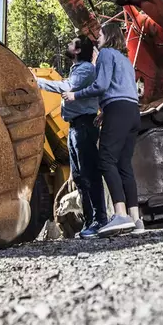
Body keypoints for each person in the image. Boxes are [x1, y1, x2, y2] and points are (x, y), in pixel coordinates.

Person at [65, 20, 145, 237]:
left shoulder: (107, 53)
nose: (97, 37)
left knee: (106, 160)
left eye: (100, 34)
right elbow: (123, 89)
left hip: (118, 110)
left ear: (108, 36)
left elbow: (101, 85)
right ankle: (136, 219)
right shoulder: (125, 60)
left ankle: (120, 215)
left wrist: (75, 95)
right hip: (131, 112)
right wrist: (105, 112)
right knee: (124, 165)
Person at [35, 36, 107, 239]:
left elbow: (66, 88)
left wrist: (35, 81)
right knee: (79, 177)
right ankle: (90, 220)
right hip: (76, 127)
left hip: (84, 125)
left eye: (71, 44)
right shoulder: (78, 69)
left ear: (77, 50)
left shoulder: (84, 69)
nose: (67, 45)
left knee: (89, 174)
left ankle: (100, 220)